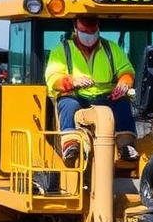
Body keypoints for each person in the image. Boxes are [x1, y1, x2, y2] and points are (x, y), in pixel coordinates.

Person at [44, 15, 139, 166]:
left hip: (107, 97)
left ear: (98, 29)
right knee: (67, 104)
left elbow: (126, 71)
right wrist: (72, 81)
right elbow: (52, 78)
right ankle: (70, 145)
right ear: (75, 28)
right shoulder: (61, 50)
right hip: (76, 96)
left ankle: (126, 145)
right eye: (84, 31)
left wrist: (124, 83)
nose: (89, 35)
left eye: (92, 31)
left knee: (123, 103)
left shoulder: (111, 48)